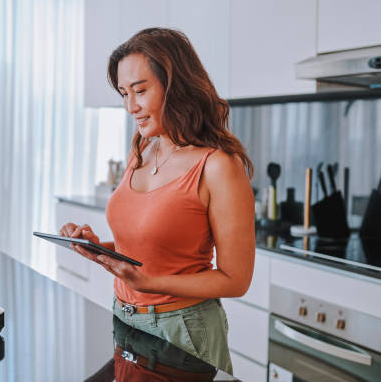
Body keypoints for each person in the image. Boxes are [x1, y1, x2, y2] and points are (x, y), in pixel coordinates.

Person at [59, 28, 255, 375]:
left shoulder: (218, 165)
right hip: (126, 318)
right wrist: (100, 248)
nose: (130, 106)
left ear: (175, 86)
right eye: (124, 93)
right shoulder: (142, 149)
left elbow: (235, 279)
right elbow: (148, 249)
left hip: (182, 331)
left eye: (140, 90)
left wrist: (148, 282)